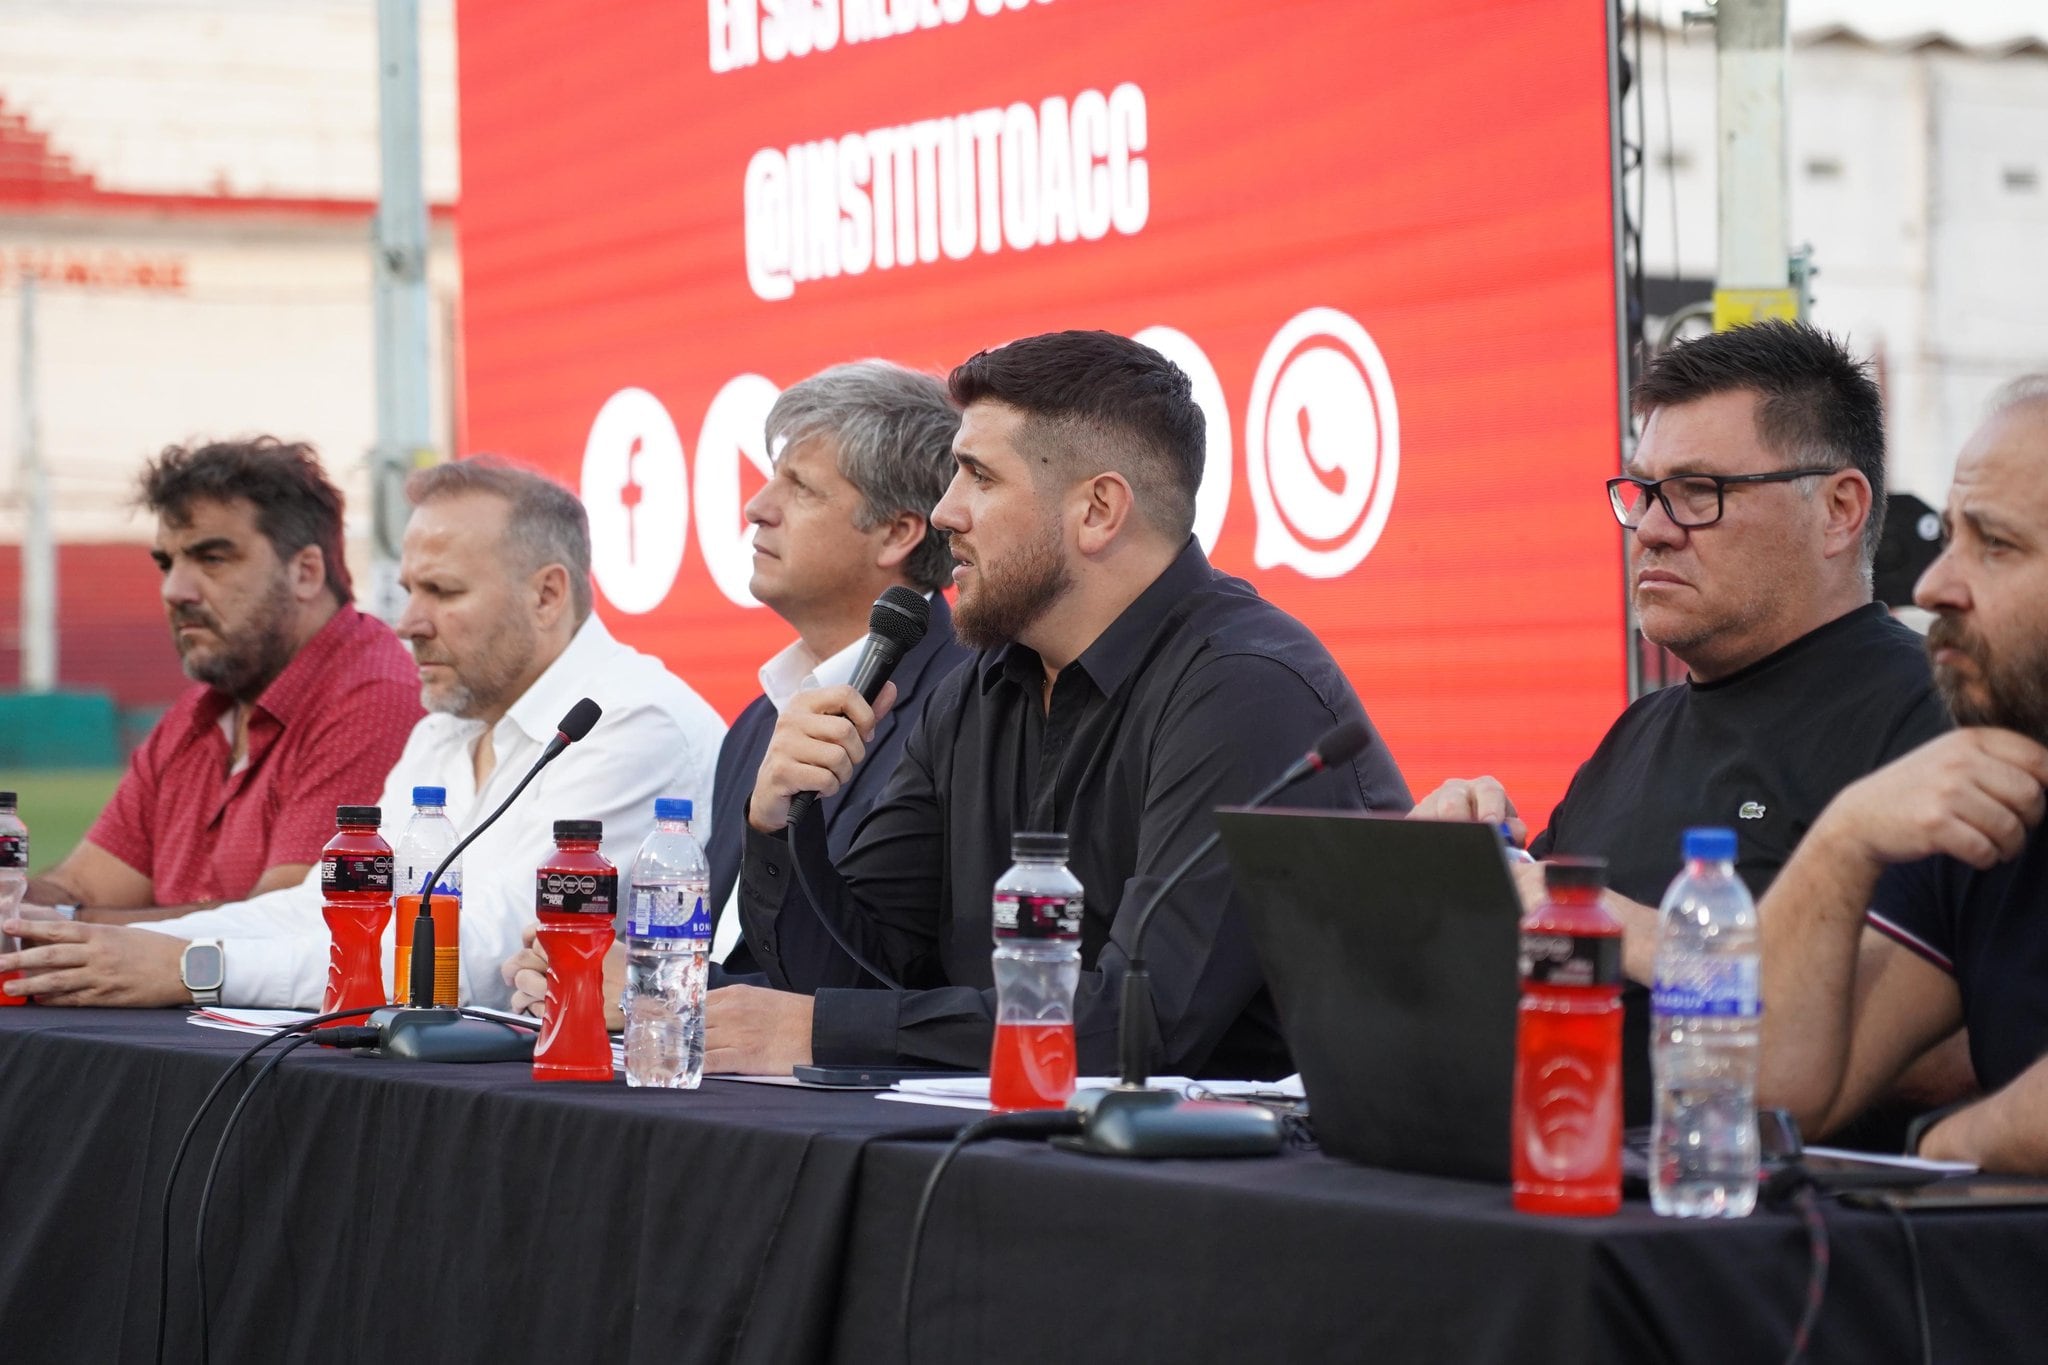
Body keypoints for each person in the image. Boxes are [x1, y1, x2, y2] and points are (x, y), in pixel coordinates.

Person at [707, 330, 1410, 1079]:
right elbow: (859, 973)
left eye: (979, 476)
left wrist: (827, 1030)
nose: (944, 513)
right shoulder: (973, 691)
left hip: (1231, 1182)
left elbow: (1138, 1023)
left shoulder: (1248, 691)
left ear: (1099, 511)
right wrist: (780, 826)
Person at [1410, 321, 1952, 1124]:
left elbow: (1945, 1047)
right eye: (1644, 492)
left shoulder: (1932, 720)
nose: (1655, 529)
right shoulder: (1635, 733)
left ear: (1839, 510)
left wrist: (1599, 918)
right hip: (1562, 1175)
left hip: (1770, 1220)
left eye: (1701, 492)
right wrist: (1460, 879)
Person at [1, 458, 726, 1009]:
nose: (409, 621)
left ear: (547, 594)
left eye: (442, 592)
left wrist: (192, 967)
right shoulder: (446, 726)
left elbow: (478, 954)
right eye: (408, 590)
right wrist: (129, 947)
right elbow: (333, 904)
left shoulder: (636, 722)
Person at [501, 359, 972, 1015]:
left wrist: (652, 989)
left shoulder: (962, 705)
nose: (756, 507)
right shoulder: (758, 719)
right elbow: (724, 947)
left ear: (897, 531)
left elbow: (861, 980)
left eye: (800, 487)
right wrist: (594, 968)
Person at [1757, 378, 2048, 1170]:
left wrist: (1955, 1141)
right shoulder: (1997, 799)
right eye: (1951, 536)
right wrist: (1843, 837)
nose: (1930, 586)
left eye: (1995, 544)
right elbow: (1763, 1098)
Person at [21, 437, 420, 915]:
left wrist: (64, 926)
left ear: (306, 572)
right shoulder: (196, 714)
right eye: (167, 563)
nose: (175, 590)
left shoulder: (374, 699)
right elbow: (82, 888)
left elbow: (286, 922)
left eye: (212, 558)